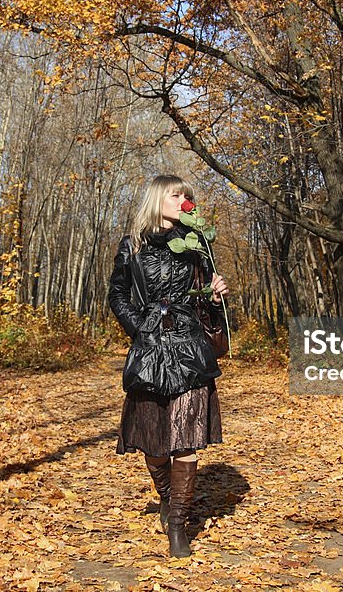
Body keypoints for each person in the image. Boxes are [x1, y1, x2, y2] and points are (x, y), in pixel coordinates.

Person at [107, 174, 230, 558]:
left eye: (187, 196)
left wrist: (215, 295)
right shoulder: (133, 245)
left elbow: (208, 304)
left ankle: (178, 525)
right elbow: (117, 293)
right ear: (158, 198)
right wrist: (138, 327)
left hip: (190, 346)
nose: (183, 201)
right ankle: (166, 496)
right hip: (149, 347)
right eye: (176, 195)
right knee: (155, 441)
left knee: (187, 438)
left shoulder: (197, 246)